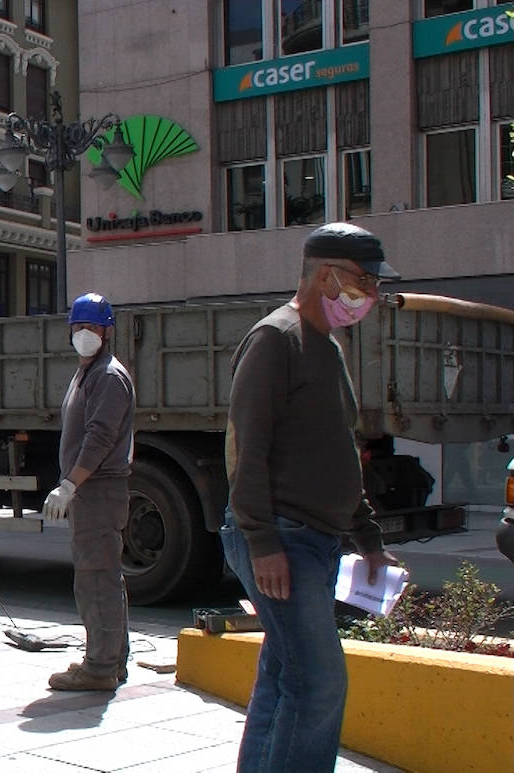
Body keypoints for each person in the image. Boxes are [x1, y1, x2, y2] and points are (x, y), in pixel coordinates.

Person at [221, 222, 401, 771]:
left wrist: (367, 538)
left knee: (284, 677)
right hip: (285, 538)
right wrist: (262, 540)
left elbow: (339, 451)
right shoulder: (276, 339)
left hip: (314, 541)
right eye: (364, 282)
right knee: (319, 685)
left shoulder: (327, 346)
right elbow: (246, 449)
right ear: (327, 274)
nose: (371, 295)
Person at [42, 293, 136, 691]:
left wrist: (69, 484)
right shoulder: (88, 372)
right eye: (79, 327)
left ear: (108, 331)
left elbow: (99, 438)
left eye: (93, 327)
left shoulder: (108, 376)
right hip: (92, 491)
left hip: (98, 489)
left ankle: (99, 669)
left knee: (96, 578)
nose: (85, 333)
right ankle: (113, 660)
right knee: (104, 576)